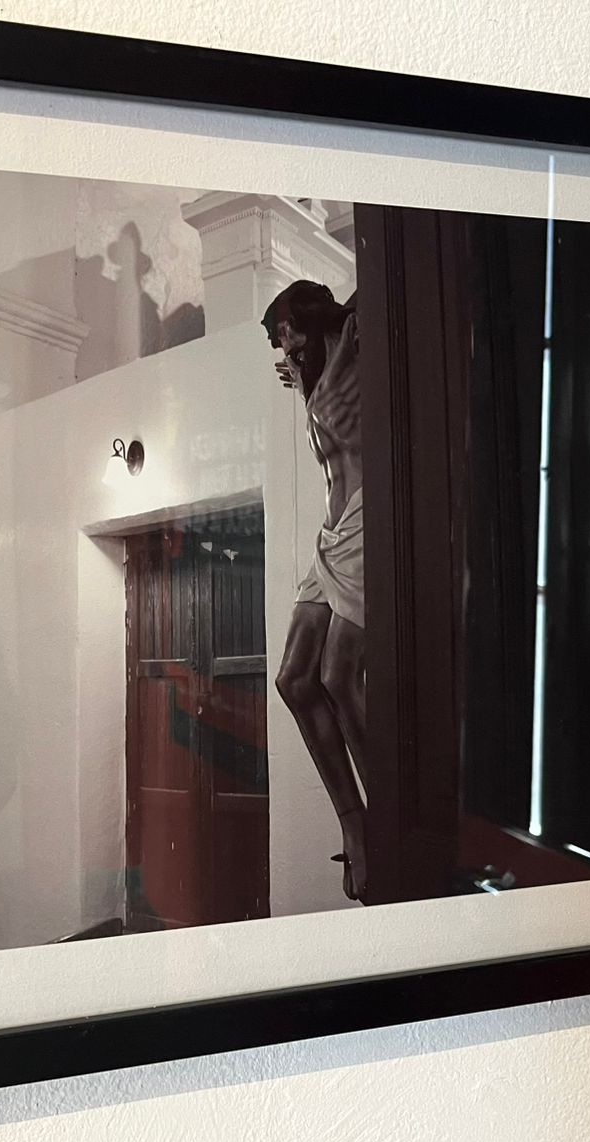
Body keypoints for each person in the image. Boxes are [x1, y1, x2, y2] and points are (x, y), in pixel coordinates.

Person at [261, 280, 368, 901]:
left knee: (338, 674)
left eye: (290, 339)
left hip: (367, 521)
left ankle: (390, 812)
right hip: (332, 534)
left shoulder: (351, 340)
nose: (287, 352)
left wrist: (335, 328)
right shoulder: (313, 371)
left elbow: (367, 290)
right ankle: (353, 821)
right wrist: (302, 368)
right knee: (293, 679)